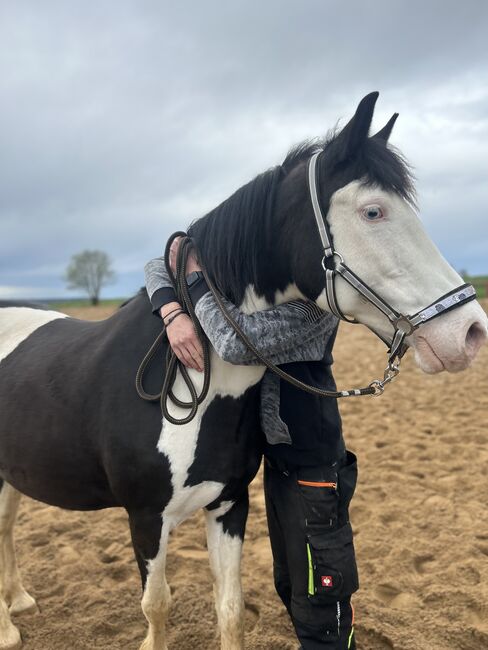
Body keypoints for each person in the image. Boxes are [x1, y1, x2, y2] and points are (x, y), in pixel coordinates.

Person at [144, 243, 358, 650]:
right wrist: (172, 312)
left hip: (312, 464)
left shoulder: (313, 310)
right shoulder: (273, 289)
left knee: (321, 589)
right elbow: (159, 263)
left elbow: (236, 340)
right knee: (291, 580)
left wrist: (192, 278)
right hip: (278, 460)